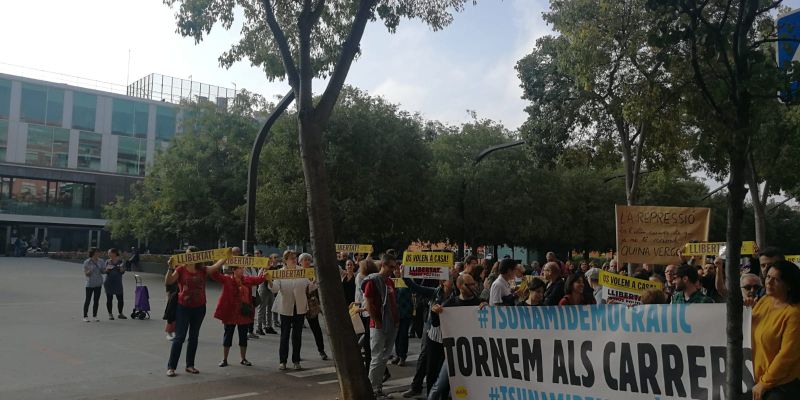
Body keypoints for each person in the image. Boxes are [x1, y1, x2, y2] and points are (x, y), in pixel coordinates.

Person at [165, 247, 227, 377]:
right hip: (183, 307)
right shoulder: (180, 269)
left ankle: (190, 365)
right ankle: (171, 367)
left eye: (192, 255)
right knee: (179, 337)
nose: (190, 257)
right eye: (187, 255)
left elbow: (215, 267)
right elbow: (169, 281)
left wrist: (226, 255)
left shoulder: (202, 269)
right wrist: (170, 267)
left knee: (194, 337)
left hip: (199, 307)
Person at [425, 274, 484, 400]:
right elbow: (436, 324)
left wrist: (488, 310)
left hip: (475, 354)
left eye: (473, 283)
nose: (473, 287)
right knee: (439, 385)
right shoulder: (450, 304)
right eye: (469, 284)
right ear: (459, 286)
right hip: (454, 354)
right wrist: (435, 312)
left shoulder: (480, 303)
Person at [751, 260, 800, 400]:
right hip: (756, 379)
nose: (769, 282)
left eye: (776, 279)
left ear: (789, 285)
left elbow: (787, 355)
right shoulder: (764, 301)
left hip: (781, 386)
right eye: (768, 277)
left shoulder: (794, 313)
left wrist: (764, 383)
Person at [210, 265, 266, 368]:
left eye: (242, 268)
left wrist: (266, 269)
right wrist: (218, 263)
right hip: (230, 313)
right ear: (233, 270)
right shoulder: (227, 279)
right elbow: (214, 275)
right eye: (240, 268)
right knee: (228, 336)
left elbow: (259, 279)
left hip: (243, 313)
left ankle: (243, 358)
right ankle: (224, 359)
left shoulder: (247, 279)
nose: (243, 269)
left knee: (243, 337)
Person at [271, 250, 316, 371]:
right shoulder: (280, 272)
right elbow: (275, 289)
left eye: (295, 257)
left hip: (299, 307)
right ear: (285, 260)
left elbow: (310, 287)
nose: (294, 260)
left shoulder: (302, 271)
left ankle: (296, 360)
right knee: (284, 335)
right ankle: (283, 361)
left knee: (297, 336)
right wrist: (269, 281)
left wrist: (315, 281)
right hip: (286, 307)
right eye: (291, 258)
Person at [363, 253, 400, 398]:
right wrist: (377, 321)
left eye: (394, 267)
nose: (393, 270)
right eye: (391, 267)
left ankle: (377, 387)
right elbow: (368, 303)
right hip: (379, 324)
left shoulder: (390, 282)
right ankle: (372, 389)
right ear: (383, 265)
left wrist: (396, 321)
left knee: (383, 358)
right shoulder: (373, 281)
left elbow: (392, 301)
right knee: (377, 358)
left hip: (391, 324)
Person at [299, 253, 328, 361]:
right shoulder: (297, 272)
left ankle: (321, 350)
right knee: (298, 330)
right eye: (305, 260)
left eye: (309, 260)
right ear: (300, 262)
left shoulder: (313, 272)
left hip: (312, 304)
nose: (307, 262)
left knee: (316, 328)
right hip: (300, 303)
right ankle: (297, 354)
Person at [392, 265, 412, 366]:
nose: (396, 271)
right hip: (395, 313)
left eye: (398, 269)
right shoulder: (392, 281)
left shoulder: (407, 281)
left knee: (403, 335)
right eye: (395, 269)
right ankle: (397, 354)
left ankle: (403, 356)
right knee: (396, 335)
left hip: (405, 312)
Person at [256, 251, 278, 335]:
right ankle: (259, 327)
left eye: (269, 261)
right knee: (262, 308)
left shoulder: (273, 268)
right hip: (263, 289)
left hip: (270, 289)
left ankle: (269, 326)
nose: (269, 262)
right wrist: (265, 270)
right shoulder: (262, 268)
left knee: (270, 309)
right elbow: (259, 278)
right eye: (267, 261)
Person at [103, 248, 127, 320]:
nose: (108, 254)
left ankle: (120, 313)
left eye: (109, 253)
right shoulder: (108, 261)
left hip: (118, 282)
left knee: (120, 299)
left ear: (114, 253)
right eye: (108, 253)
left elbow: (123, 272)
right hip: (109, 282)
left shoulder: (121, 261)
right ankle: (110, 314)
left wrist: (121, 269)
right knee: (109, 299)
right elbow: (105, 271)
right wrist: (107, 269)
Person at [82, 248, 105, 322]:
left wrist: (106, 269)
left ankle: (95, 316)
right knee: (88, 300)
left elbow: (103, 271)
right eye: (97, 252)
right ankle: (85, 316)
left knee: (96, 300)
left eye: (99, 252)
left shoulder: (101, 261)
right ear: (93, 253)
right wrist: (90, 270)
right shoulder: (87, 262)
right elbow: (86, 274)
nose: (98, 254)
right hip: (90, 283)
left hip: (98, 283)